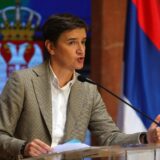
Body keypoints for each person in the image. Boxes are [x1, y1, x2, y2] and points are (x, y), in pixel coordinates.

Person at [0, 13, 160, 160]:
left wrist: (146, 137)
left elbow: (110, 136)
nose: (81, 49)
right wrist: (23, 147)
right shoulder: (22, 81)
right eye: (72, 43)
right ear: (51, 47)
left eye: (83, 42)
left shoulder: (87, 89)